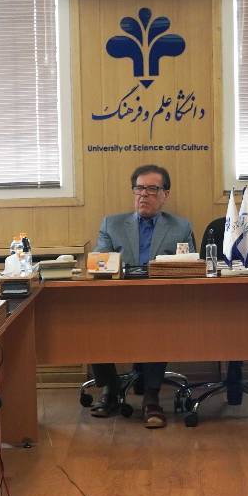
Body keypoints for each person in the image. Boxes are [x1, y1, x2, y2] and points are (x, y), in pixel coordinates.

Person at [90, 164, 196, 428]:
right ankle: (111, 388)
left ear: (165, 194)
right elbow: (100, 264)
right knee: (89, 319)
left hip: (162, 301)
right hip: (118, 299)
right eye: (139, 188)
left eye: (151, 189)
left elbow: (190, 267)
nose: (143, 194)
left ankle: (151, 396)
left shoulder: (180, 227)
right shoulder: (112, 224)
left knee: (156, 319)